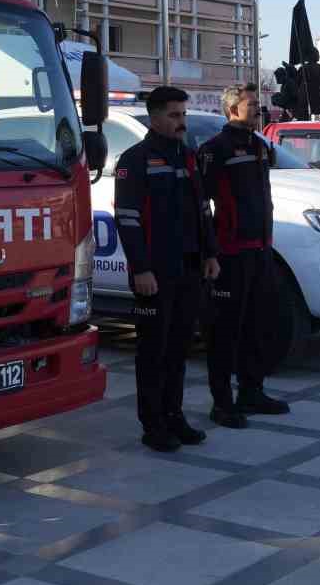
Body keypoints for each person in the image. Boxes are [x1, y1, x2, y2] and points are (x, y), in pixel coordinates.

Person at [114, 86, 221, 452]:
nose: (182, 122)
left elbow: (203, 210)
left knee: (178, 349)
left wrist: (211, 253)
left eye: (183, 114)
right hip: (155, 274)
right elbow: (127, 219)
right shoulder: (135, 160)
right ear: (155, 117)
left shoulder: (187, 157)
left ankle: (174, 416)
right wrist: (141, 269)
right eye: (174, 115)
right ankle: (153, 424)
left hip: (189, 269)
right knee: (153, 351)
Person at [199, 85, 290, 428]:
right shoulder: (215, 149)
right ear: (231, 109)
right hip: (230, 253)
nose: (257, 109)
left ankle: (252, 392)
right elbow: (201, 206)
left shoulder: (260, 145)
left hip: (260, 250)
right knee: (225, 331)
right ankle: (222, 403)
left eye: (258, 104)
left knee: (258, 326)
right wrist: (210, 252)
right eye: (251, 104)